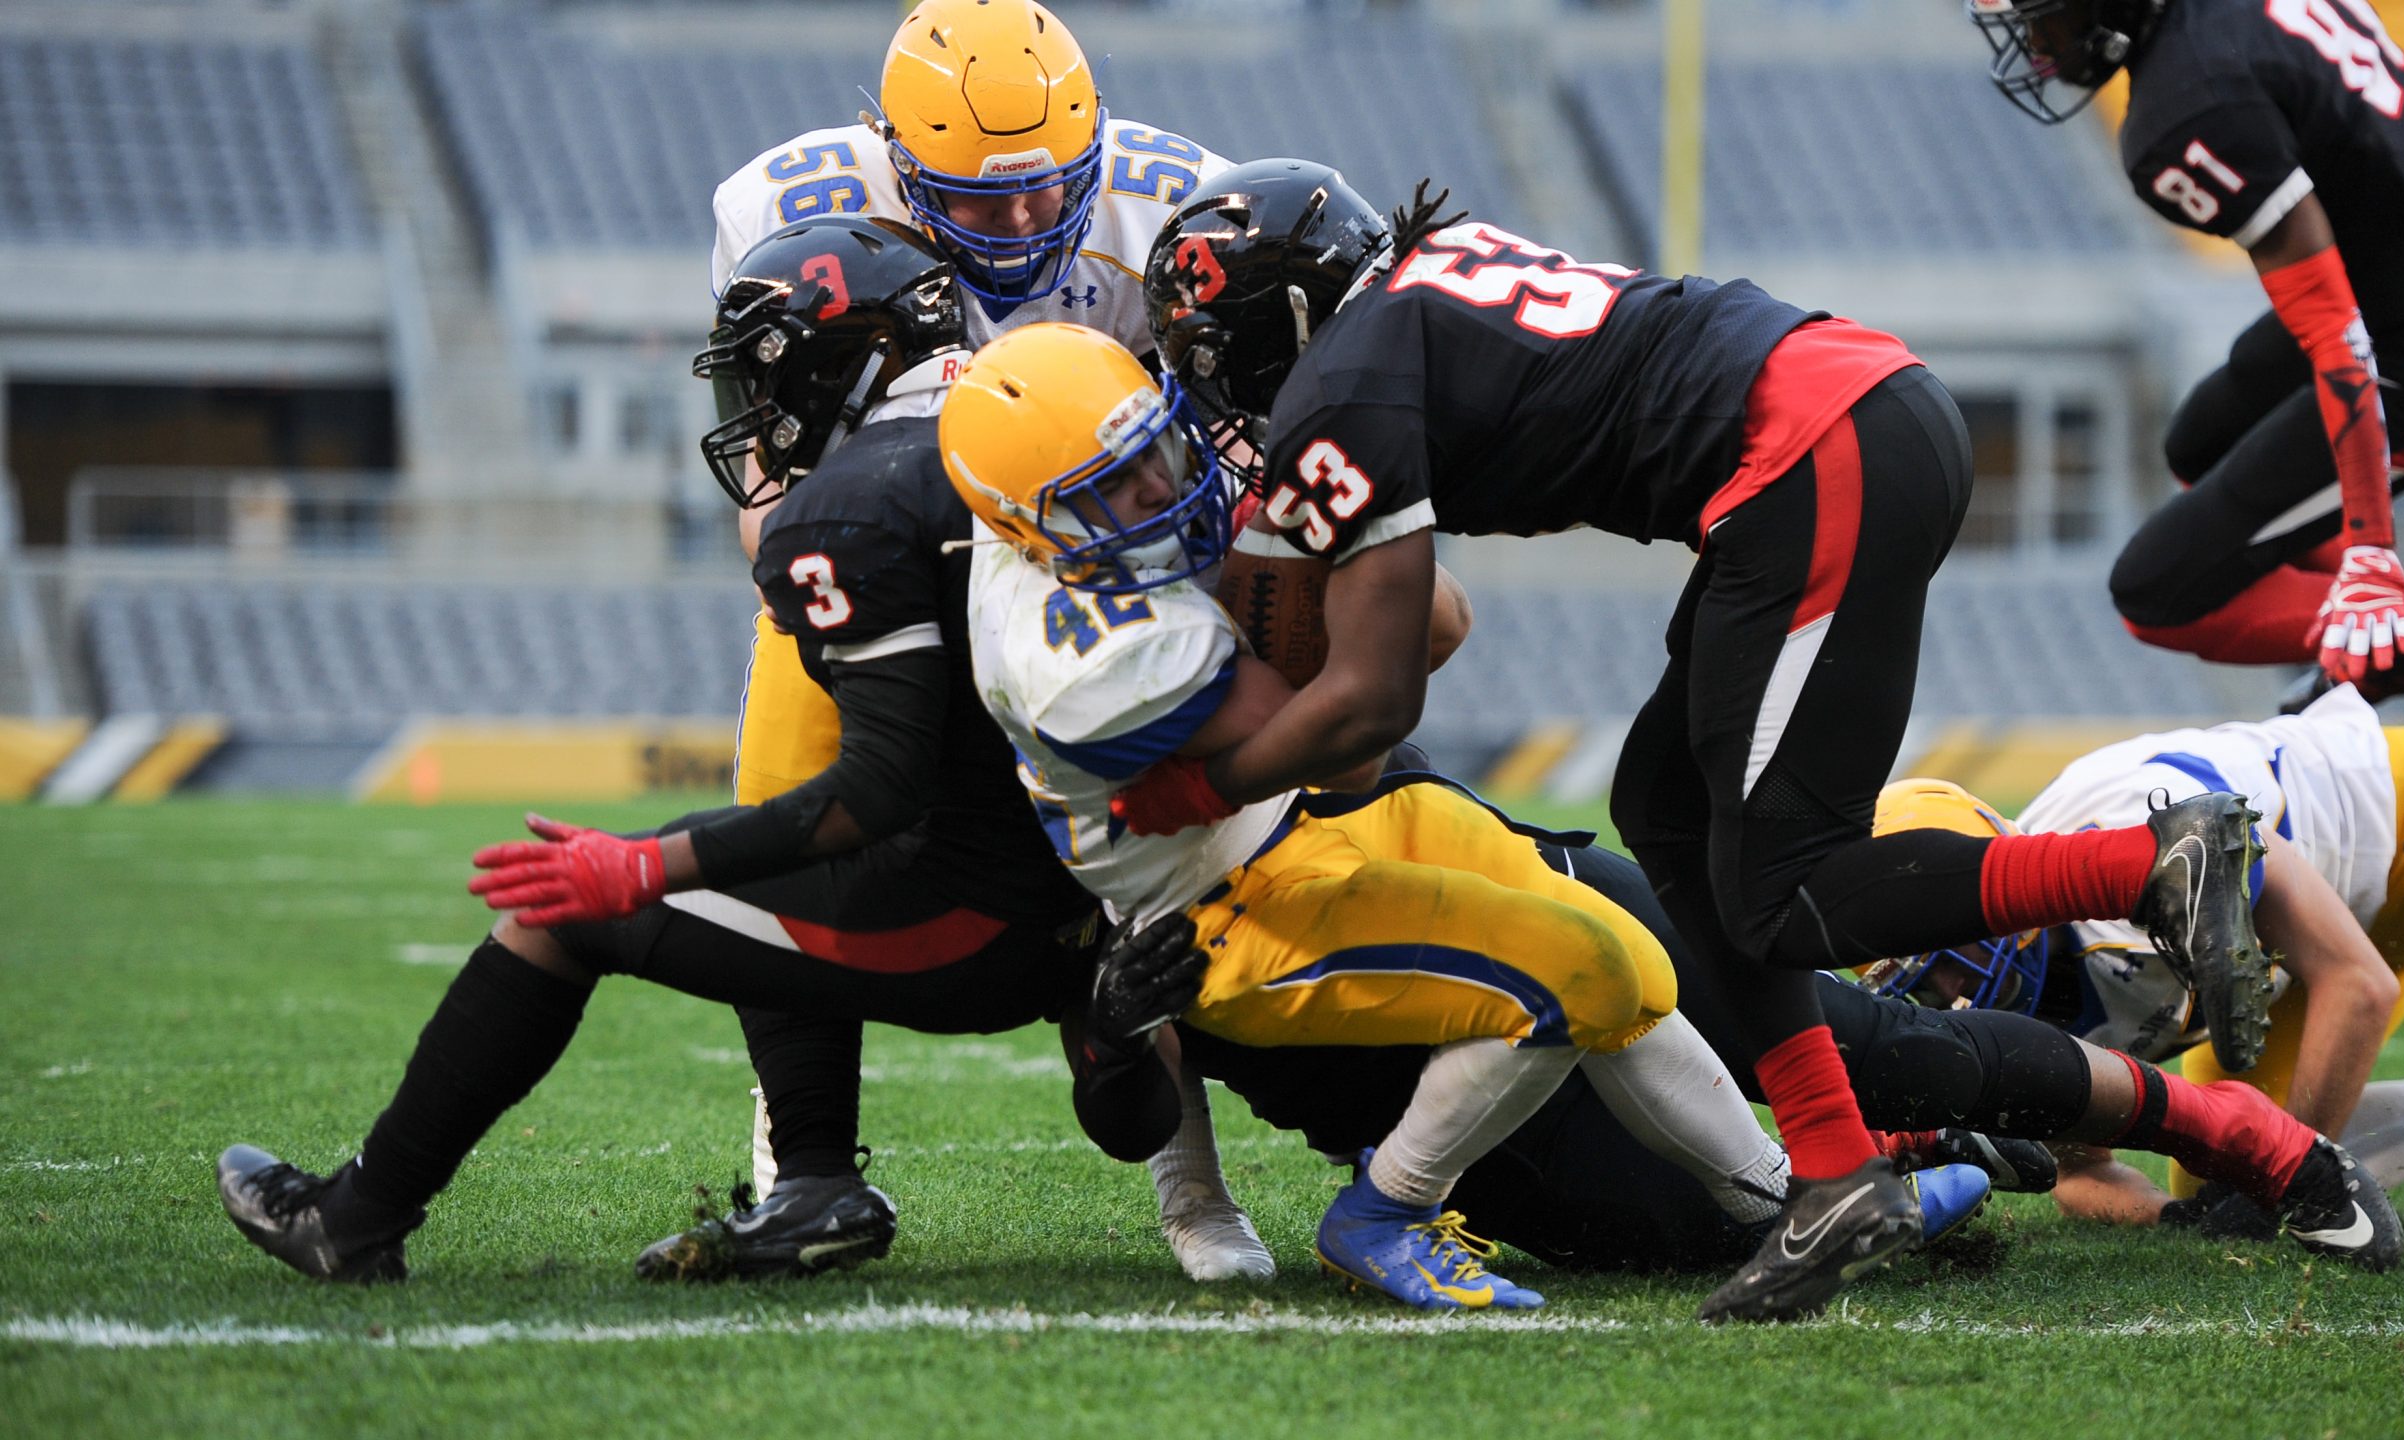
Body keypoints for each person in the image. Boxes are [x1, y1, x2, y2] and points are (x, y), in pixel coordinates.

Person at [1118, 157, 2274, 1322]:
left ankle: (2144, 866)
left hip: (1810, 453)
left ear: (1276, 321)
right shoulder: (1406, 302)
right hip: (1835, 424)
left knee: (1786, 893)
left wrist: (1197, 787)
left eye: (1215, 358)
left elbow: (1373, 703)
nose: (1224, 394)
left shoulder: (1342, 388)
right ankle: (1833, 1176)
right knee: (1664, 814)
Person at [214, 221, 1097, 1284]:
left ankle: (354, 1217)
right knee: (763, 859)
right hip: (1109, 889)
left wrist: (641, 866)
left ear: (838, 364)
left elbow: (877, 788)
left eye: (767, 381)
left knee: (571, 908)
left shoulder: (858, 501)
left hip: (979, 924)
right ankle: (817, 1180)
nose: (759, 416)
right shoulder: (1053, 421)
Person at [943, 321, 1858, 1313]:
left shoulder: (1054, 509)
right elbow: (1354, 738)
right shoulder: (1087, 657)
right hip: (1226, 907)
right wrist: (1293, 530)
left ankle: (1786, 1199)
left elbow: (1444, 622)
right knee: (1575, 977)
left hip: (1303, 823)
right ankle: (1387, 1211)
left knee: (1635, 962)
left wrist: (1291, 510)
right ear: (1033, 526)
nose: (1159, 486)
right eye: (1112, 486)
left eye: (1149, 449)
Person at [699, 0, 1252, 1278]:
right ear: (893, 159)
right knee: (779, 817)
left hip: (1092, 562)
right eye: (978, 200)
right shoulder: (782, 211)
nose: (1023, 222)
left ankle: (1191, 1180)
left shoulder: (1177, 210)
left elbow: (1227, 463)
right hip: (888, 553)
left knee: (1139, 868)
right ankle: (806, 1165)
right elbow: (771, 500)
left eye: (1050, 188)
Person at [1075, 823, 2404, 1274]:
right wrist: (1119, 1041)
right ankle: (1910, 1173)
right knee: (1690, 1237)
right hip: (1434, 1095)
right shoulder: (1076, 844)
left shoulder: (1242, 649)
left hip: (1536, 909)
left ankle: (2252, 1137)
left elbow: (1409, 650)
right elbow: (1136, 1115)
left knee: (1878, 1040)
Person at [1965, 0, 2404, 723]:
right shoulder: (2209, 47)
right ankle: (2373, 643)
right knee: (2198, 444)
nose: (2037, 43)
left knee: (2155, 592)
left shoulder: (2186, 110)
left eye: (2042, 17)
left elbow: (2336, 337)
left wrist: (2371, 552)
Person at [1871, 684, 2404, 1235]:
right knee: (2224, 1177)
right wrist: (2180, 1219)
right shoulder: (2016, 999)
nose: (1948, 989)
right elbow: (2081, 1174)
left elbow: (2356, 983)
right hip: (2306, 950)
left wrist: (2293, 1178)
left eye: (1944, 948)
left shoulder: (2136, 839)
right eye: (1917, 977)